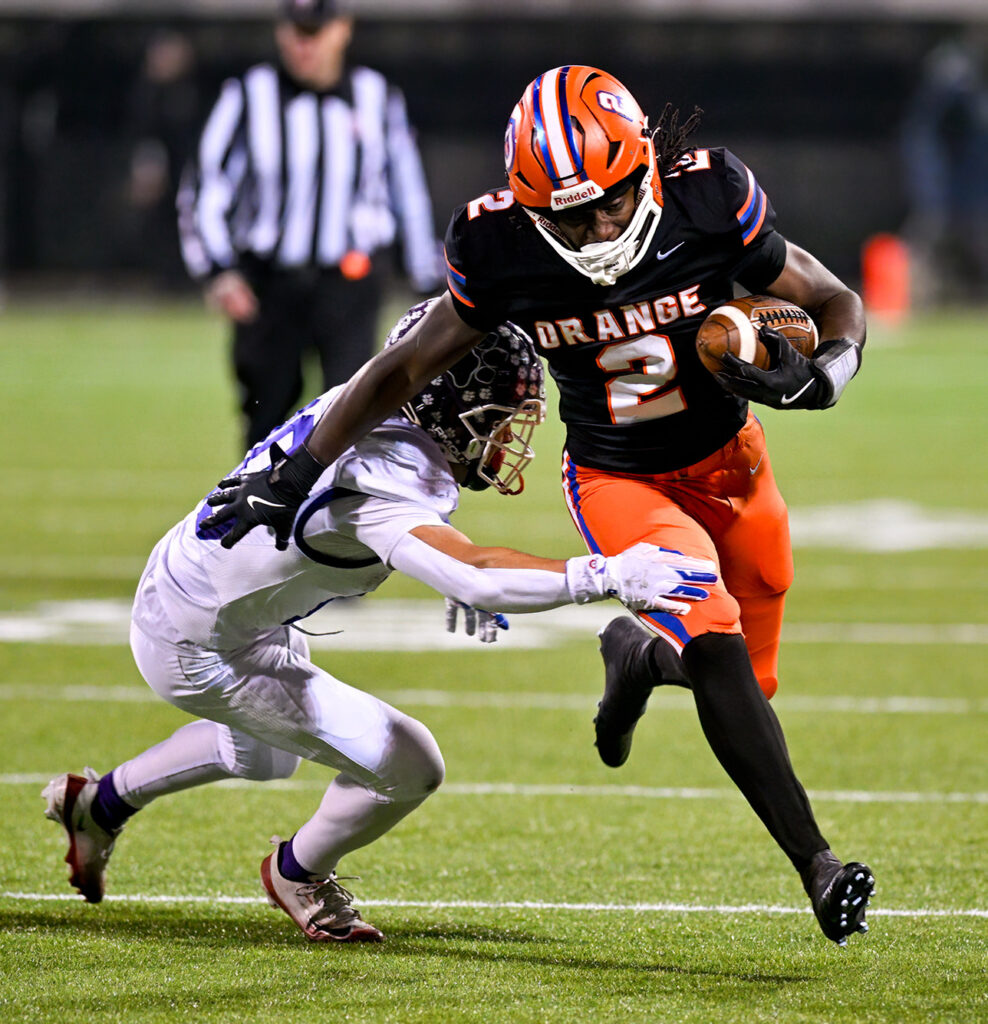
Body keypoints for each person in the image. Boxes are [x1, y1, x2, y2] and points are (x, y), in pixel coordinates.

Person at [196, 65, 876, 946]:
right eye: (568, 213)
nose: (596, 226)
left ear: (645, 170)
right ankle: (818, 870)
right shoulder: (501, 247)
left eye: (610, 201)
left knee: (745, 676)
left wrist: (828, 373)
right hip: (618, 478)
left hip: (735, 466)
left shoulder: (709, 198)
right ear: (528, 204)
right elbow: (403, 366)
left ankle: (634, 654)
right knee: (711, 639)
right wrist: (300, 467)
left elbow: (833, 301)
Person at [42, 299, 717, 943]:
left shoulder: (371, 402)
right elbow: (473, 570)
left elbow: (413, 538)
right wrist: (604, 574)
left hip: (205, 596)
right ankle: (297, 874)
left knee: (264, 752)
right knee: (409, 762)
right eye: (499, 413)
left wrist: (449, 564)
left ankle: (98, 805)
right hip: (200, 642)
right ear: (449, 406)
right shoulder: (388, 471)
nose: (510, 433)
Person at [177, 0, 442, 447]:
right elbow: (204, 186)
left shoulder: (377, 97)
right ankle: (259, 517)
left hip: (349, 284)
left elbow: (407, 192)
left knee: (350, 417)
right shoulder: (247, 95)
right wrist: (218, 270)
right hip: (268, 285)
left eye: (314, 31)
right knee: (264, 419)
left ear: (343, 29)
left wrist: (425, 278)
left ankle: (336, 515)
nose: (304, 45)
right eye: (295, 30)